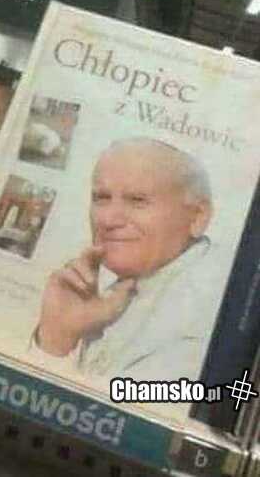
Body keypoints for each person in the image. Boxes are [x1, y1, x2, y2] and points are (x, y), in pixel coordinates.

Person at [32, 137, 221, 381]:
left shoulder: (204, 318)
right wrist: (57, 337)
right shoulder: (126, 288)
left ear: (197, 217)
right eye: (101, 198)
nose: (108, 220)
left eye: (137, 201)